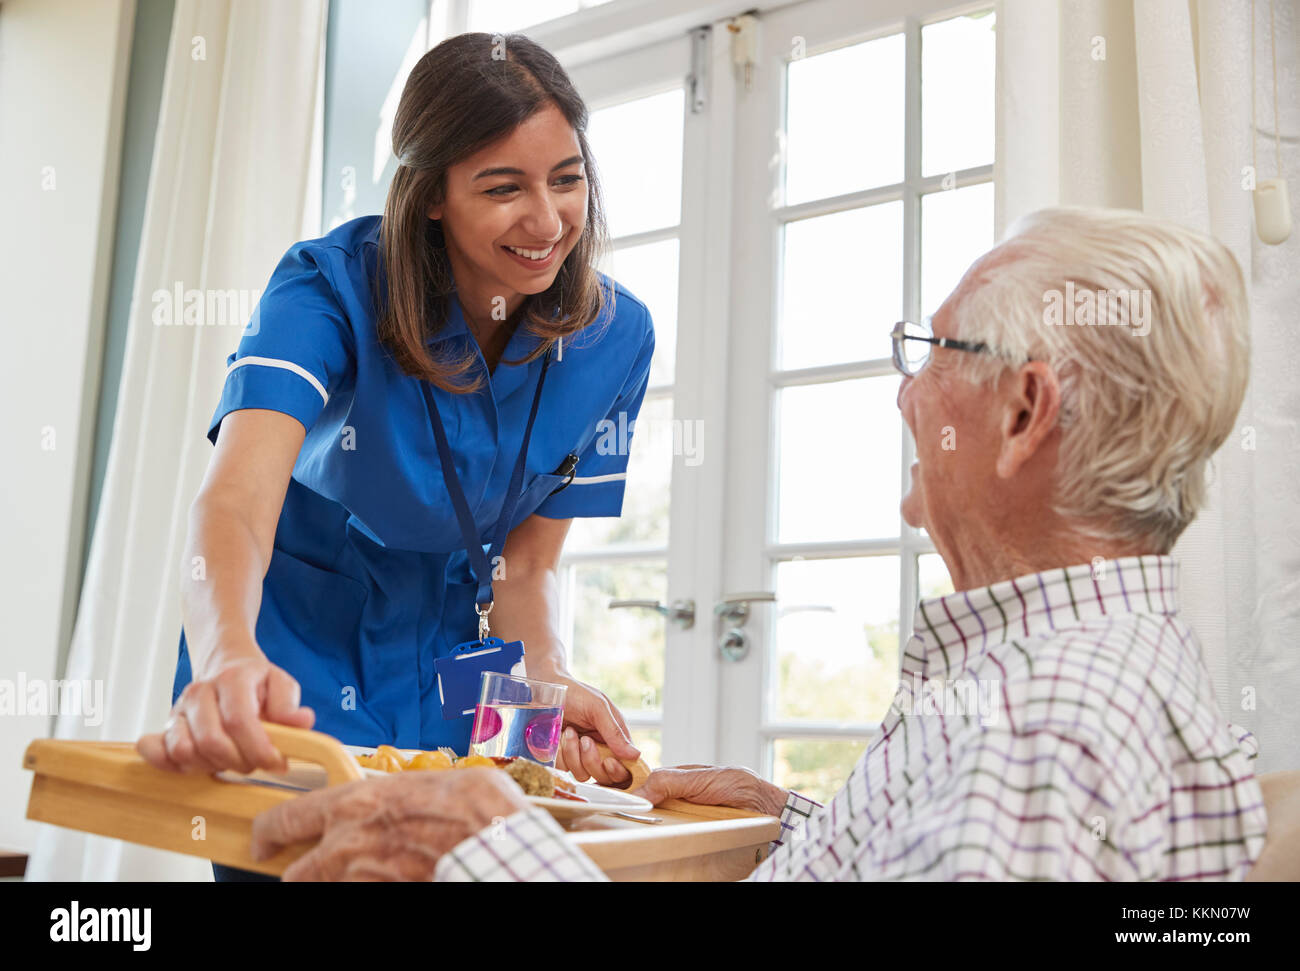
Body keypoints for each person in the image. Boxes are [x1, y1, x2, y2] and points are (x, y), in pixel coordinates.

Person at [247, 207, 1269, 881]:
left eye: (934, 352)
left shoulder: (1039, 726)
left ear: (1022, 415)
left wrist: (496, 848)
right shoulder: (1095, 671)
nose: (905, 393)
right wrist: (805, 823)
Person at [137, 34, 655, 877]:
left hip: (473, 666)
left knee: (488, 859)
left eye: (567, 178)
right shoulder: (326, 287)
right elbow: (234, 502)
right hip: (296, 656)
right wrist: (228, 649)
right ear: (433, 195)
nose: (549, 221)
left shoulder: (618, 336)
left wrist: (546, 681)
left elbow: (525, 572)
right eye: (503, 188)